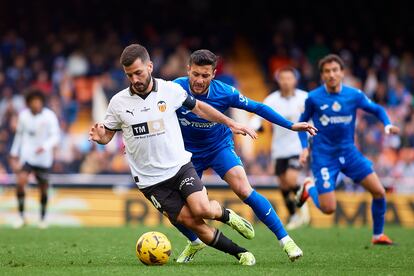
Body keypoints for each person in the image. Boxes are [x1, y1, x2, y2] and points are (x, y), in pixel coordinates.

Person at [89, 44, 258, 265]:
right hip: (151, 182)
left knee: (203, 209)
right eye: (129, 75)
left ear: (150, 66)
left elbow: (200, 108)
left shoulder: (170, 90)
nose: (135, 79)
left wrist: (229, 122)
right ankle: (241, 253)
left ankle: (226, 215)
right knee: (194, 223)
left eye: (139, 72)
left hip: (179, 167)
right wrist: (101, 137)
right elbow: (108, 135)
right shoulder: (118, 103)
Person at [172, 49, 317, 263]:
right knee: (175, 207)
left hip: (218, 147)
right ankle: (195, 241)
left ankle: (286, 240)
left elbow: (258, 107)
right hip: (187, 154)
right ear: (188, 70)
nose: (199, 80)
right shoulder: (175, 89)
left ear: (213, 74)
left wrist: (291, 125)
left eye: (205, 75)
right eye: (195, 74)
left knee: (243, 188)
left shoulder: (225, 92)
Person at [295, 54, 400, 245]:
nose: (331, 74)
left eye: (335, 70)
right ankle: (309, 187)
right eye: (327, 71)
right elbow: (301, 125)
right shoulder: (313, 98)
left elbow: (377, 109)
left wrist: (386, 125)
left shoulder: (354, 95)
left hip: (349, 153)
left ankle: (378, 236)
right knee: (328, 208)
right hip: (324, 155)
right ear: (322, 75)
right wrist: (304, 149)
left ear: (342, 72)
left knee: (379, 192)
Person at [250, 66, 310, 230]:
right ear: (278, 80)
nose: (285, 81)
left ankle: (303, 206)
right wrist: (255, 127)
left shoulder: (304, 98)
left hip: (298, 146)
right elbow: (257, 117)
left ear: (295, 80)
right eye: (282, 78)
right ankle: (294, 215)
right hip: (278, 148)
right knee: (283, 185)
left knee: (291, 179)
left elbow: (315, 116)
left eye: (289, 78)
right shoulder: (272, 99)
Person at [10, 89, 60, 228]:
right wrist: (14, 152)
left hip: (44, 159)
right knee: (20, 183)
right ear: (29, 103)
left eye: (38, 101)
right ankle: (21, 217)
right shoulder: (24, 116)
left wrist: (45, 146)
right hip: (27, 157)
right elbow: (19, 135)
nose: (36, 104)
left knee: (43, 189)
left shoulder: (49, 116)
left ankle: (43, 218)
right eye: (33, 101)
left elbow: (55, 136)